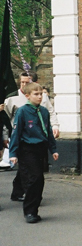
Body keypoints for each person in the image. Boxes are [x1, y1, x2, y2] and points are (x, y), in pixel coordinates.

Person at [3, 71, 60, 201]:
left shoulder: (42, 102)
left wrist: (55, 128)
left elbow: (49, 115)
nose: (24, 84)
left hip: (40, 141)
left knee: (30, 171)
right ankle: (31, 200)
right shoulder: (13, 99)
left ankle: (20, 192)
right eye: (22, 82)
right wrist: (7, 139)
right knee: (32, 174)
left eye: (27, 82)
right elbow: (6, 119)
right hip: (23, 140)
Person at [9, 82, 59, 223]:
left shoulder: (43, 111)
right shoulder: (22, 111)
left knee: (40, 180)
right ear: (27, 96)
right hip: (27, 149)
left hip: (41, 148)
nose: (39, 97)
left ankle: (34, 209)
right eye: (36, 94)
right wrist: (13, 153)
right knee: (34, 178)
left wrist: (53, 149)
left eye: (41, 94)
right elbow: (16, 133)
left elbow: (48, 131)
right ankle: (29, 211)